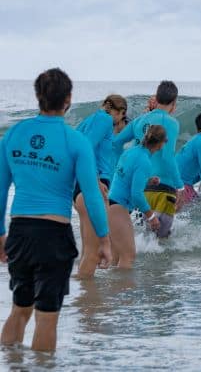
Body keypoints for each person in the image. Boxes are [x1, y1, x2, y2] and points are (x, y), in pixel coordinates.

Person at [0, 68, 110, 352]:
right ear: (69, 99)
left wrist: (1, 234)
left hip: (20, 232)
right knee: (46, 320)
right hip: (53, 235)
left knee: (19, 309)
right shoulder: (76, 141)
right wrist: (104, 240)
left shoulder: (14, 134)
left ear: (38, 96)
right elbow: (92, 196)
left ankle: (9, 364)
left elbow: (0, 191)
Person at [113, 81, 184, 238]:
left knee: (144, 239)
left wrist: (121, 166)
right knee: (162, 241)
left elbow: (116, 143)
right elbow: (167, 156)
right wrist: (180, 187)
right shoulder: (171, 123)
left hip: (143, 188)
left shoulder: (139, 121)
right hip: (164, 187)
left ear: (157, 98)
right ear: (174, 103)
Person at [74, 94, 127, 279]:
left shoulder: (88, 121)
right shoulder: (105, 119)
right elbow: (85, 148)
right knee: (94, 252)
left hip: (80, 187)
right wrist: (95, 179)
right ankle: (88, 304)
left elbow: (74, 147)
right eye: (122, 117)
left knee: (87, 252)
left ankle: (81, 297)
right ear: (120, 113)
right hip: (91, 186)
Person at [109, 126, 166, 268]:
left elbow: (126, 179)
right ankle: (124, 289)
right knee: (129, 256)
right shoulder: (144, 161)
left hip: (110, 204)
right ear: (160, 143)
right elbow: (136, 195)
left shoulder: (132, 151)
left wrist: (147, 181)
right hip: (118, 207)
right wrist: (151, 217)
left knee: (116, 257)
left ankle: (110, 290)